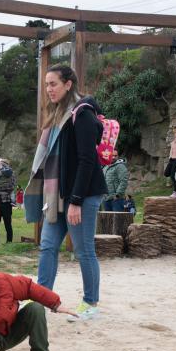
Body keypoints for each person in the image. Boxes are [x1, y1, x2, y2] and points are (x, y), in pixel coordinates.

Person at [25, 65, 107, 322]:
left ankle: (90, 302)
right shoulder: (57, 115)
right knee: (48, 246)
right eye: (46, 85)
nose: (49, 89)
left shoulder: (82, 114)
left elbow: (87, 161)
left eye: (54, 84)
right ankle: (41, 297)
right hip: (58, 194)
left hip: (81, 194)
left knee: (84, 250)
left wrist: (76, 201)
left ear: (68, 84)